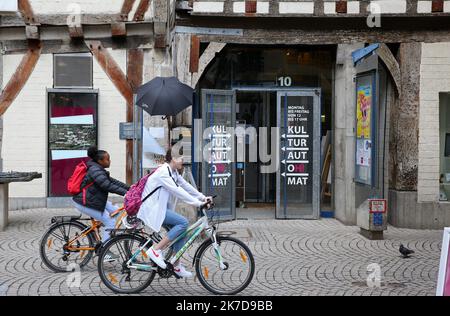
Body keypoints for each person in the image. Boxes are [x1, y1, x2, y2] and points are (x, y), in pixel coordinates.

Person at [137, 148, 212, 278]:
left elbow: (185, 186)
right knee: (183, 222)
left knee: (183, 232)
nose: (183, 160)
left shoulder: (173, 172)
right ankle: (155, 250)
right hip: (152, 209)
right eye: (180, 157)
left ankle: (176, 266)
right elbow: (178, 191)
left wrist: (202, 197)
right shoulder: (163, 173)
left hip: (160, 209)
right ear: (172, 159)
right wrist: (198, 203)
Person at [72, 146, 129, 261]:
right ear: (100, 161)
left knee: (115, 212)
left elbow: (112, 181)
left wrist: (130, 189)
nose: (109, 161)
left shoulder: (97, 168)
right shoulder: (95, 170)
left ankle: (105, 233)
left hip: (93, 199)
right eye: (107, 159)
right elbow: (107, 185)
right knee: (110, 221)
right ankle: (104, 251)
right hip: (85, 202)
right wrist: (126, 194)